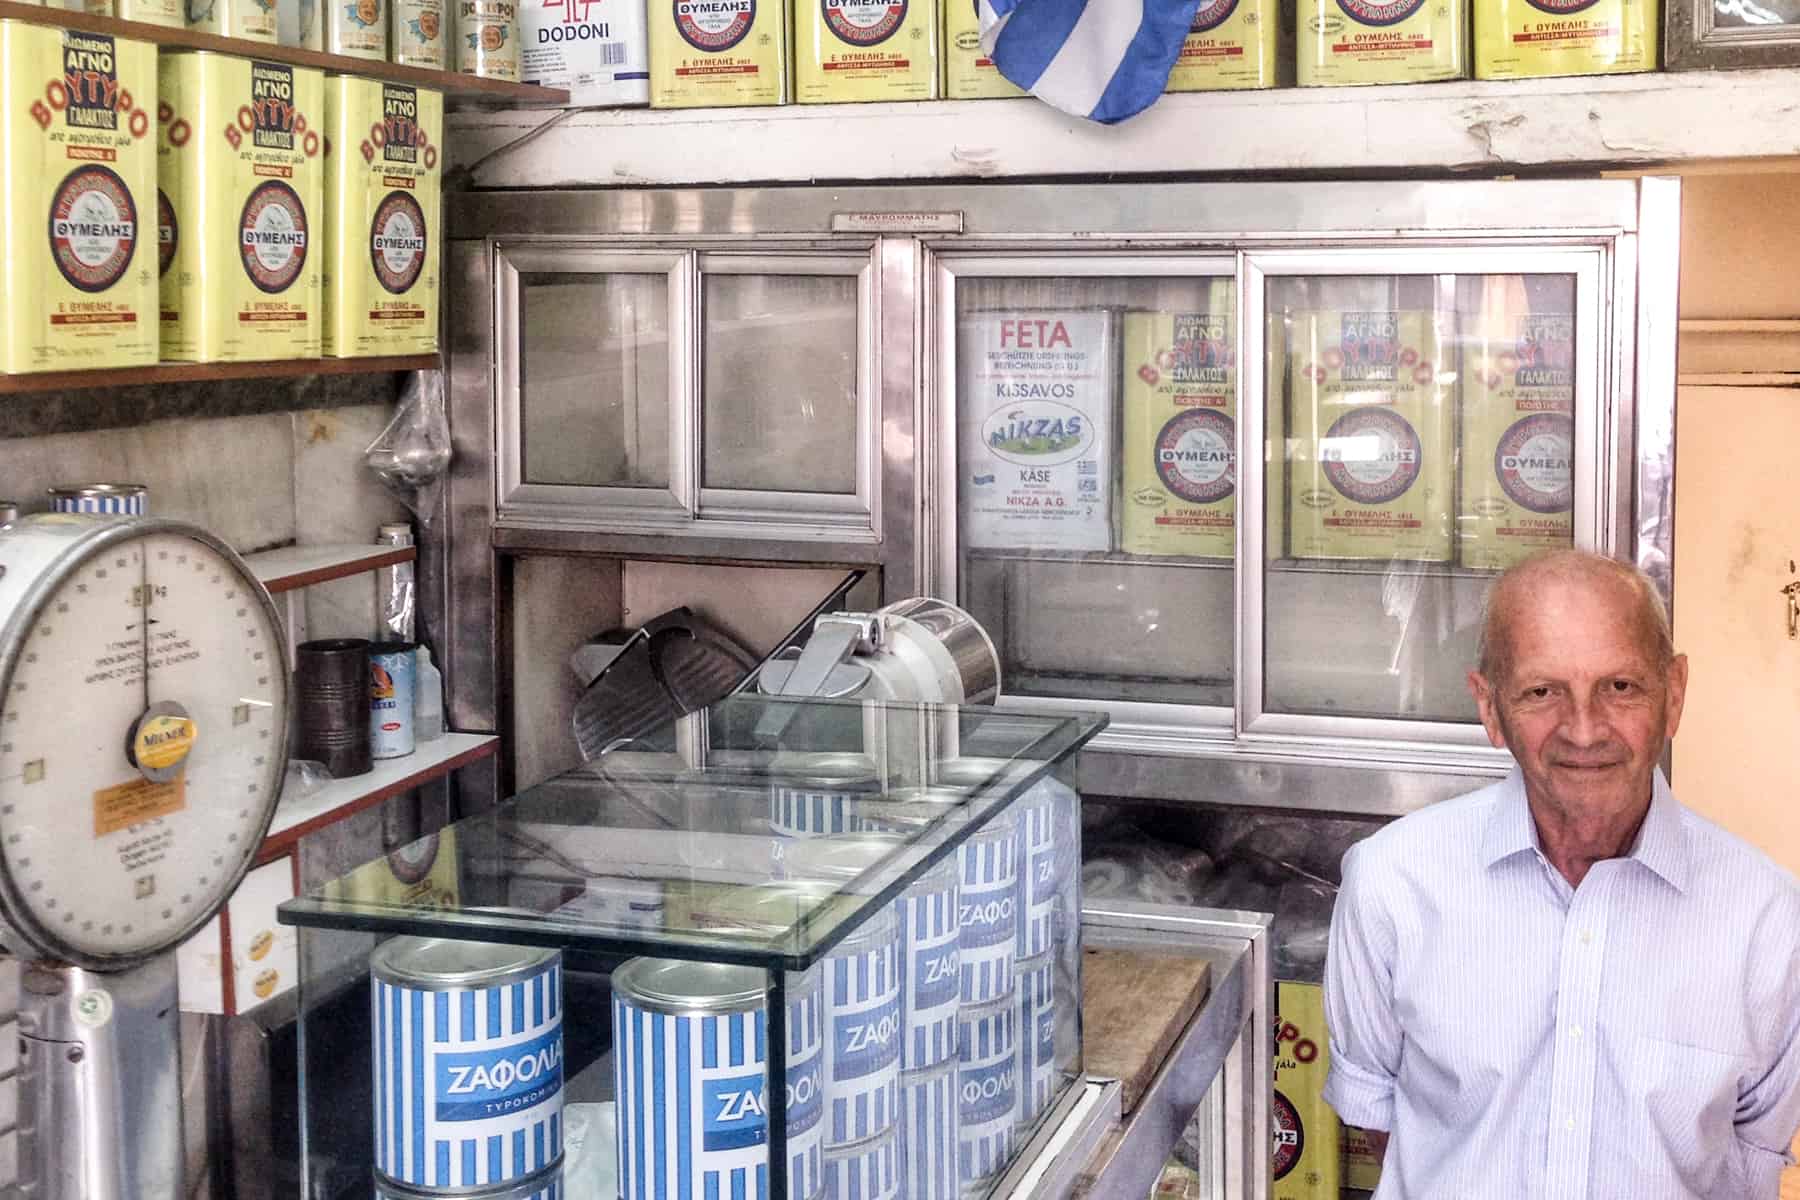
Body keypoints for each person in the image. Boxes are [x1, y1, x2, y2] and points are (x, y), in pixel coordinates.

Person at [1323, 549, 1800, 1198]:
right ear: (1490, 708)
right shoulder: (1392, 885)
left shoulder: (1768, 920)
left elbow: (1748, 1159)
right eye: (1543, 692)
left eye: (1621, 687)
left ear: (1675, 696)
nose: (1584, 730)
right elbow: (1379, 1121)